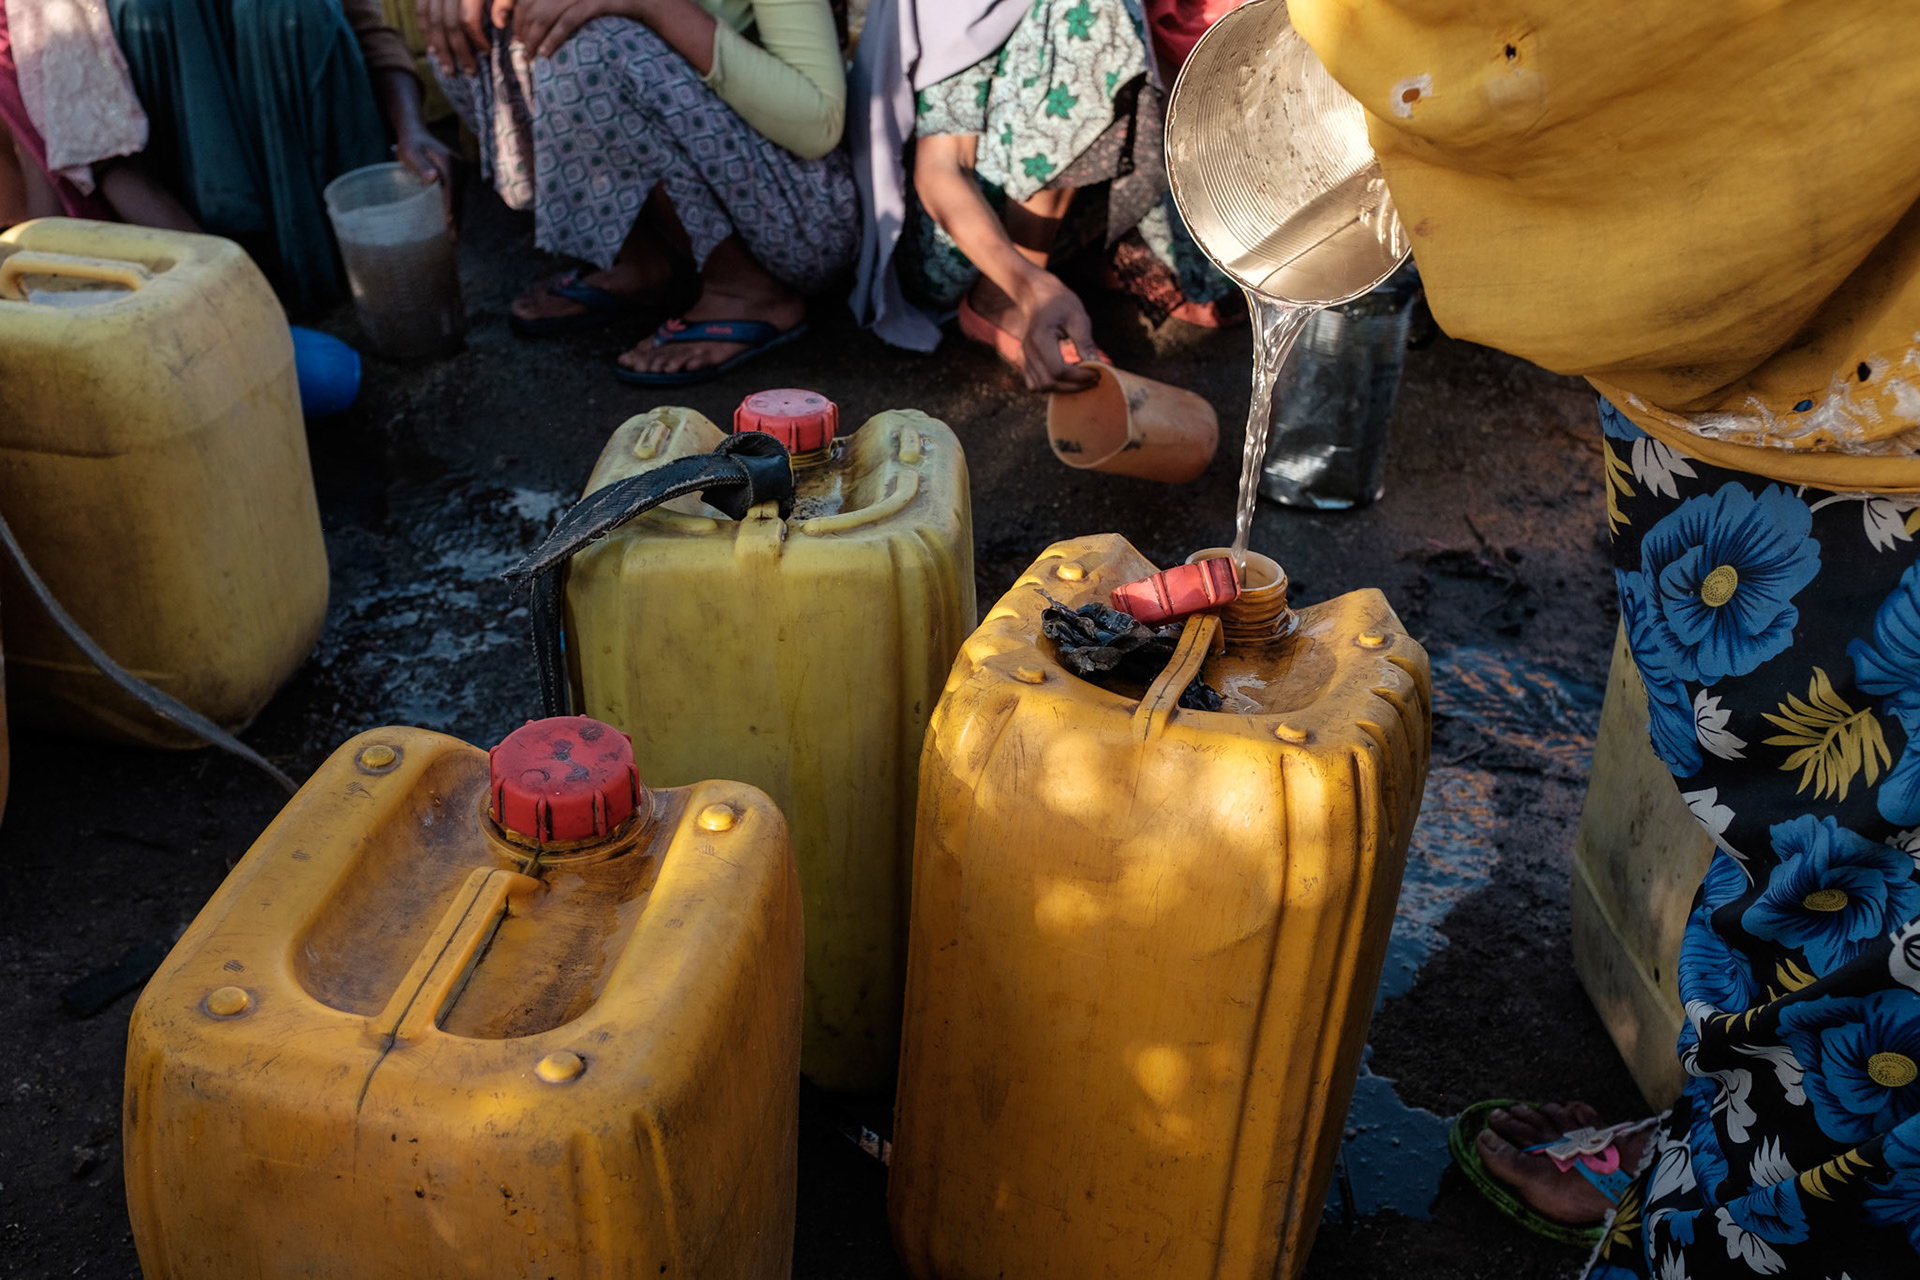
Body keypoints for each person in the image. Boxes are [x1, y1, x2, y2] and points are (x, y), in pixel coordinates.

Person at [1285, 0, 1920, 1274]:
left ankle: (1771, 1202)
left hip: (1843, 422)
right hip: (1796, 373)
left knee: (1856, 926)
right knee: (1828, 904)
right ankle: (1752, 1143)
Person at [422, 0, 855, 386]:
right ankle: (645, 258)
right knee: (483, 21)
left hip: (797, 214)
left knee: (595, 41)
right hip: (717, 173)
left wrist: (655, 6)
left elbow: (818, 122)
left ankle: (745, 290)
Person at [849, 0, 1236, 394]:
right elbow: (941, 171)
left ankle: (1082, 260)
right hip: (949, 239)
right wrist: (1030, 287)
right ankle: (1001, 299)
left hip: (1063, 197)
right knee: (1092, 10)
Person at [104, 0, 457, 311]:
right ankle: (251, 265)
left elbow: (368, 26)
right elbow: (101, 151)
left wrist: (411, 129)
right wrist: (222, 287)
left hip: (318, 194)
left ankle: (328, 261)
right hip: (192, 211)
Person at [0, 0, 195, 231]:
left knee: (108, 172)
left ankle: (215, 262)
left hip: (50, 36)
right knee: (97, 173)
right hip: (42, 36)